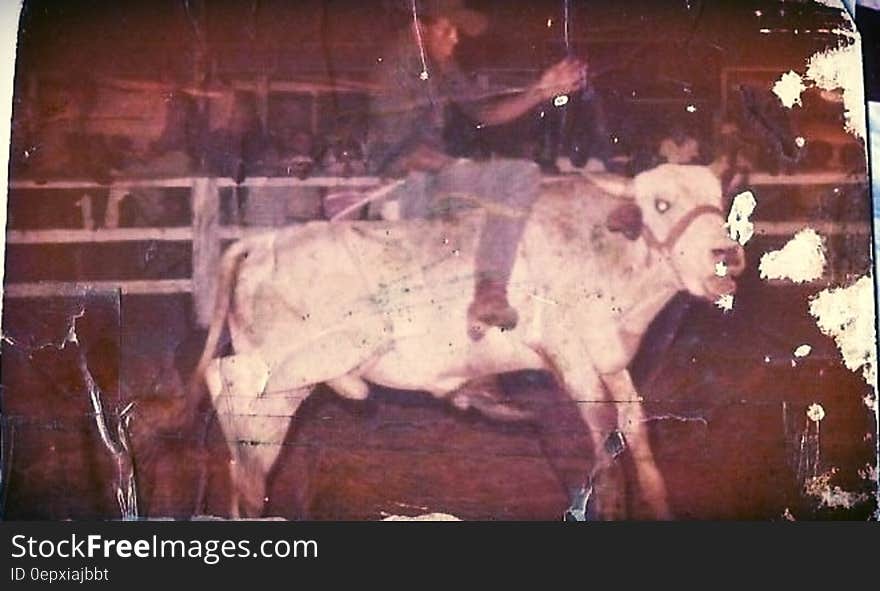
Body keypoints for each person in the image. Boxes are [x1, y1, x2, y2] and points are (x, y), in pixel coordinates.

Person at [369, 0, 587, 337]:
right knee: (518, 176)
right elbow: (396, 151)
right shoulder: (395, 69)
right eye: (447, 29)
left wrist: (541, 92)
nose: (455, 39)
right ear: (418, 28)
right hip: (406, 182)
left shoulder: (441, 66)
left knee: (515, 182)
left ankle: (486, 298)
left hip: (435, 175)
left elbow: (485, 112)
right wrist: (449, 164)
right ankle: (490, 288)